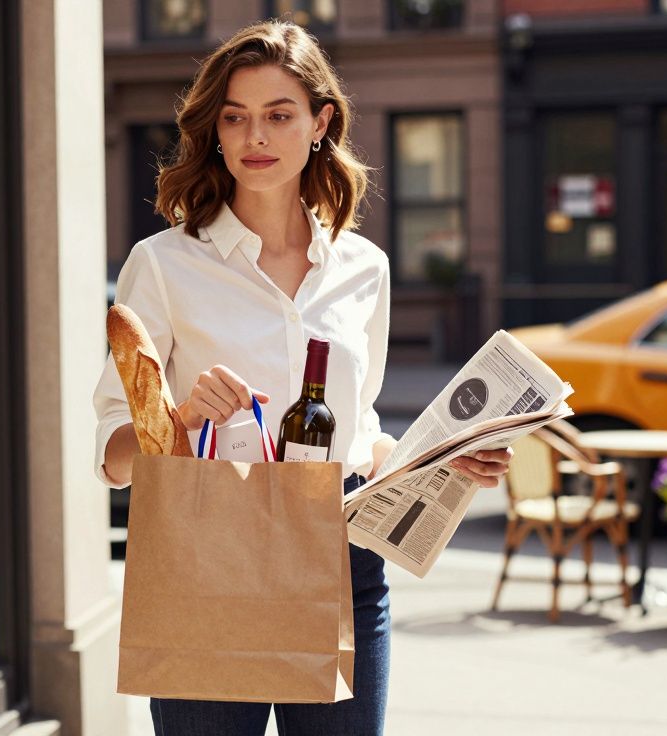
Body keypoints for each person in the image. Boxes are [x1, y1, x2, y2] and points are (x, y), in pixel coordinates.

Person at [92, 19, 511, 735]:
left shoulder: (365, 270)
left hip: (342, 557)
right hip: (208, 561)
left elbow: (362, 431)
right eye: (236, 118)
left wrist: (440, 462)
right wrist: (181, 416)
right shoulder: (162, 265)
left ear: (321, 123)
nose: (256, 137)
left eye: (278, 115)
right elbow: (112, 457)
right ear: (215, 133)